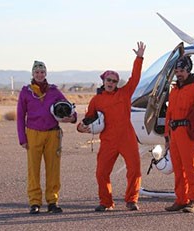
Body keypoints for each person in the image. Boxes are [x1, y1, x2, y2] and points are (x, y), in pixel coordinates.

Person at [77, 41, 146, 212]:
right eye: (109, 80)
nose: (111, 83)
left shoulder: (124, 93)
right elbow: (88, 120)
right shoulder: (96, 100)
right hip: (107, 140)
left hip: (127, 138)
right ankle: (106, 202)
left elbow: (135, 78)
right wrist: (81, 127)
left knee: (135, 170)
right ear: (103, 80)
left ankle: (131, 200)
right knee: (101, 173)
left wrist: (139, 58)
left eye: (114, 81)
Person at [17, 60, 77, 214]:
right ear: (32, 73)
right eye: (37, 72)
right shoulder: (26, 92)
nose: (39, 75)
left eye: (42, 72)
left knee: (53, 169)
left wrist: (73, 117)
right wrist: (22, 139)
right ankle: (35, 202)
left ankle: (52, 201)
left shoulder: (54, 91)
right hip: (33, 133)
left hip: (52, 134)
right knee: (33, 169)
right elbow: (20, 116)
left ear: (46, 73)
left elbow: (69, 107)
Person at [164, 55, 194, 213]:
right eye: (177, 71)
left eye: (182, 70)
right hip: (174, 134)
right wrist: (167, 134)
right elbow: (169, 113)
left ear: (188, 70)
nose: (179, 74)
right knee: (178, 169)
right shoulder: (174, 91)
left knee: (190, 167)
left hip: (187, 133)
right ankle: (181, 199)